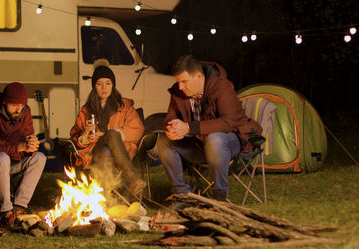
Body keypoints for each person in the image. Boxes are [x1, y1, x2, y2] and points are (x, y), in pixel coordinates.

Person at [156, 55, 262, 201]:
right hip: (200, 146)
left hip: (231, 143)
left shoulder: (222, 87)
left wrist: (188, 127)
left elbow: (228, 123)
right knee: (164, 141)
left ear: (198, 76)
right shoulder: (178, 91)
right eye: (178, 82)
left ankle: (219, 198)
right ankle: (183, 195)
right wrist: (172, 128)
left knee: (215, 138)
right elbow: (170, 117)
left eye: (184, 82)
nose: (180, 87)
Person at [0, 82, 46, 225]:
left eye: (22, 105)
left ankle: (19, 207)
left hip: (10, 163)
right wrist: (19, 148)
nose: (19, 110)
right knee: (2, 157)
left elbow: (25, 142)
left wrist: (30, 145)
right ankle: (6, 213)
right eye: (14, 105)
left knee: (39, 157)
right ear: (4, 102)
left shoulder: (25, 112)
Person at [70, 65, 147, 195]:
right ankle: (133, 180)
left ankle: (104, 198)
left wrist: (106, 134)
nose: (104, 88)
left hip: (121, 153)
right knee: (109, 139)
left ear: (113, 85)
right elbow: (74, 138)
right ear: (94, 86)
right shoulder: (86, 110)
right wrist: (85, 137)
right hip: (94, 152)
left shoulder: (125, 106)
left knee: (110, 139)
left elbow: (138, 129)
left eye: (108, 83)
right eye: (99, 84)